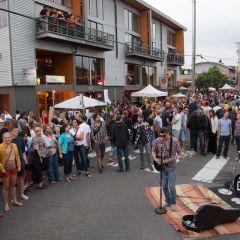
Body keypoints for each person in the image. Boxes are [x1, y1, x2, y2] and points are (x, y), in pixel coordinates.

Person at [152, 127, 182, 212]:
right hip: (162, 168)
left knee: (171, 186)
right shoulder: (158, 140)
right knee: (164, 186)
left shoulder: (175, 141)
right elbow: (153, 151)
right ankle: (167, 200)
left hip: (171, 167)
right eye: (160, 135)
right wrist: (155, 159)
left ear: (168, 133)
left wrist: (180, 156)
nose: (162, 137)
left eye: (164, 135)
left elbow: (179, 153)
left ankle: (173, 203)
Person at [0, 132, 23, 212]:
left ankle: (15, 201)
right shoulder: (0, 147)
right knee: (5, 187)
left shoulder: (14, 145)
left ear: (11, 138)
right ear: (3, 139)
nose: (7, 139)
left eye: (8, 137)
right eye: (5, 138)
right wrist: (2, 169)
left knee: (13, 185)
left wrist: (19, 165)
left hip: (14, 168)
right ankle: (6, 204)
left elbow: (17, 156)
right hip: (5, 169)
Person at [9, 125, 29, 200]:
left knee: (21, 178)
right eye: (15, 130)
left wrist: (25, 161)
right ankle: (13, 197)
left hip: (21, 161)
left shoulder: (20, 139)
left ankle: (22, 193)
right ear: (11, 131)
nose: (17, 132)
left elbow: (23, 151)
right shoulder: (8, 139)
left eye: (17, 130)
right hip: (11, 162)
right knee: (12, 180)